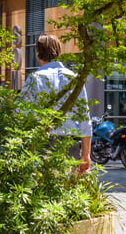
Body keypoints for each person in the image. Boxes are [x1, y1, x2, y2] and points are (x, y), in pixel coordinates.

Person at [22, 34, 92, 174]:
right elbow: (84, 116)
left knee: (40, 188)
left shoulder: (35, 78)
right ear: (59, 52)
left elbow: (22, 112)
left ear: (38, 52)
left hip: (41, 140)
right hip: (68, 142)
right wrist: (86, 154)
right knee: (66, 188)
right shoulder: (72, 77)